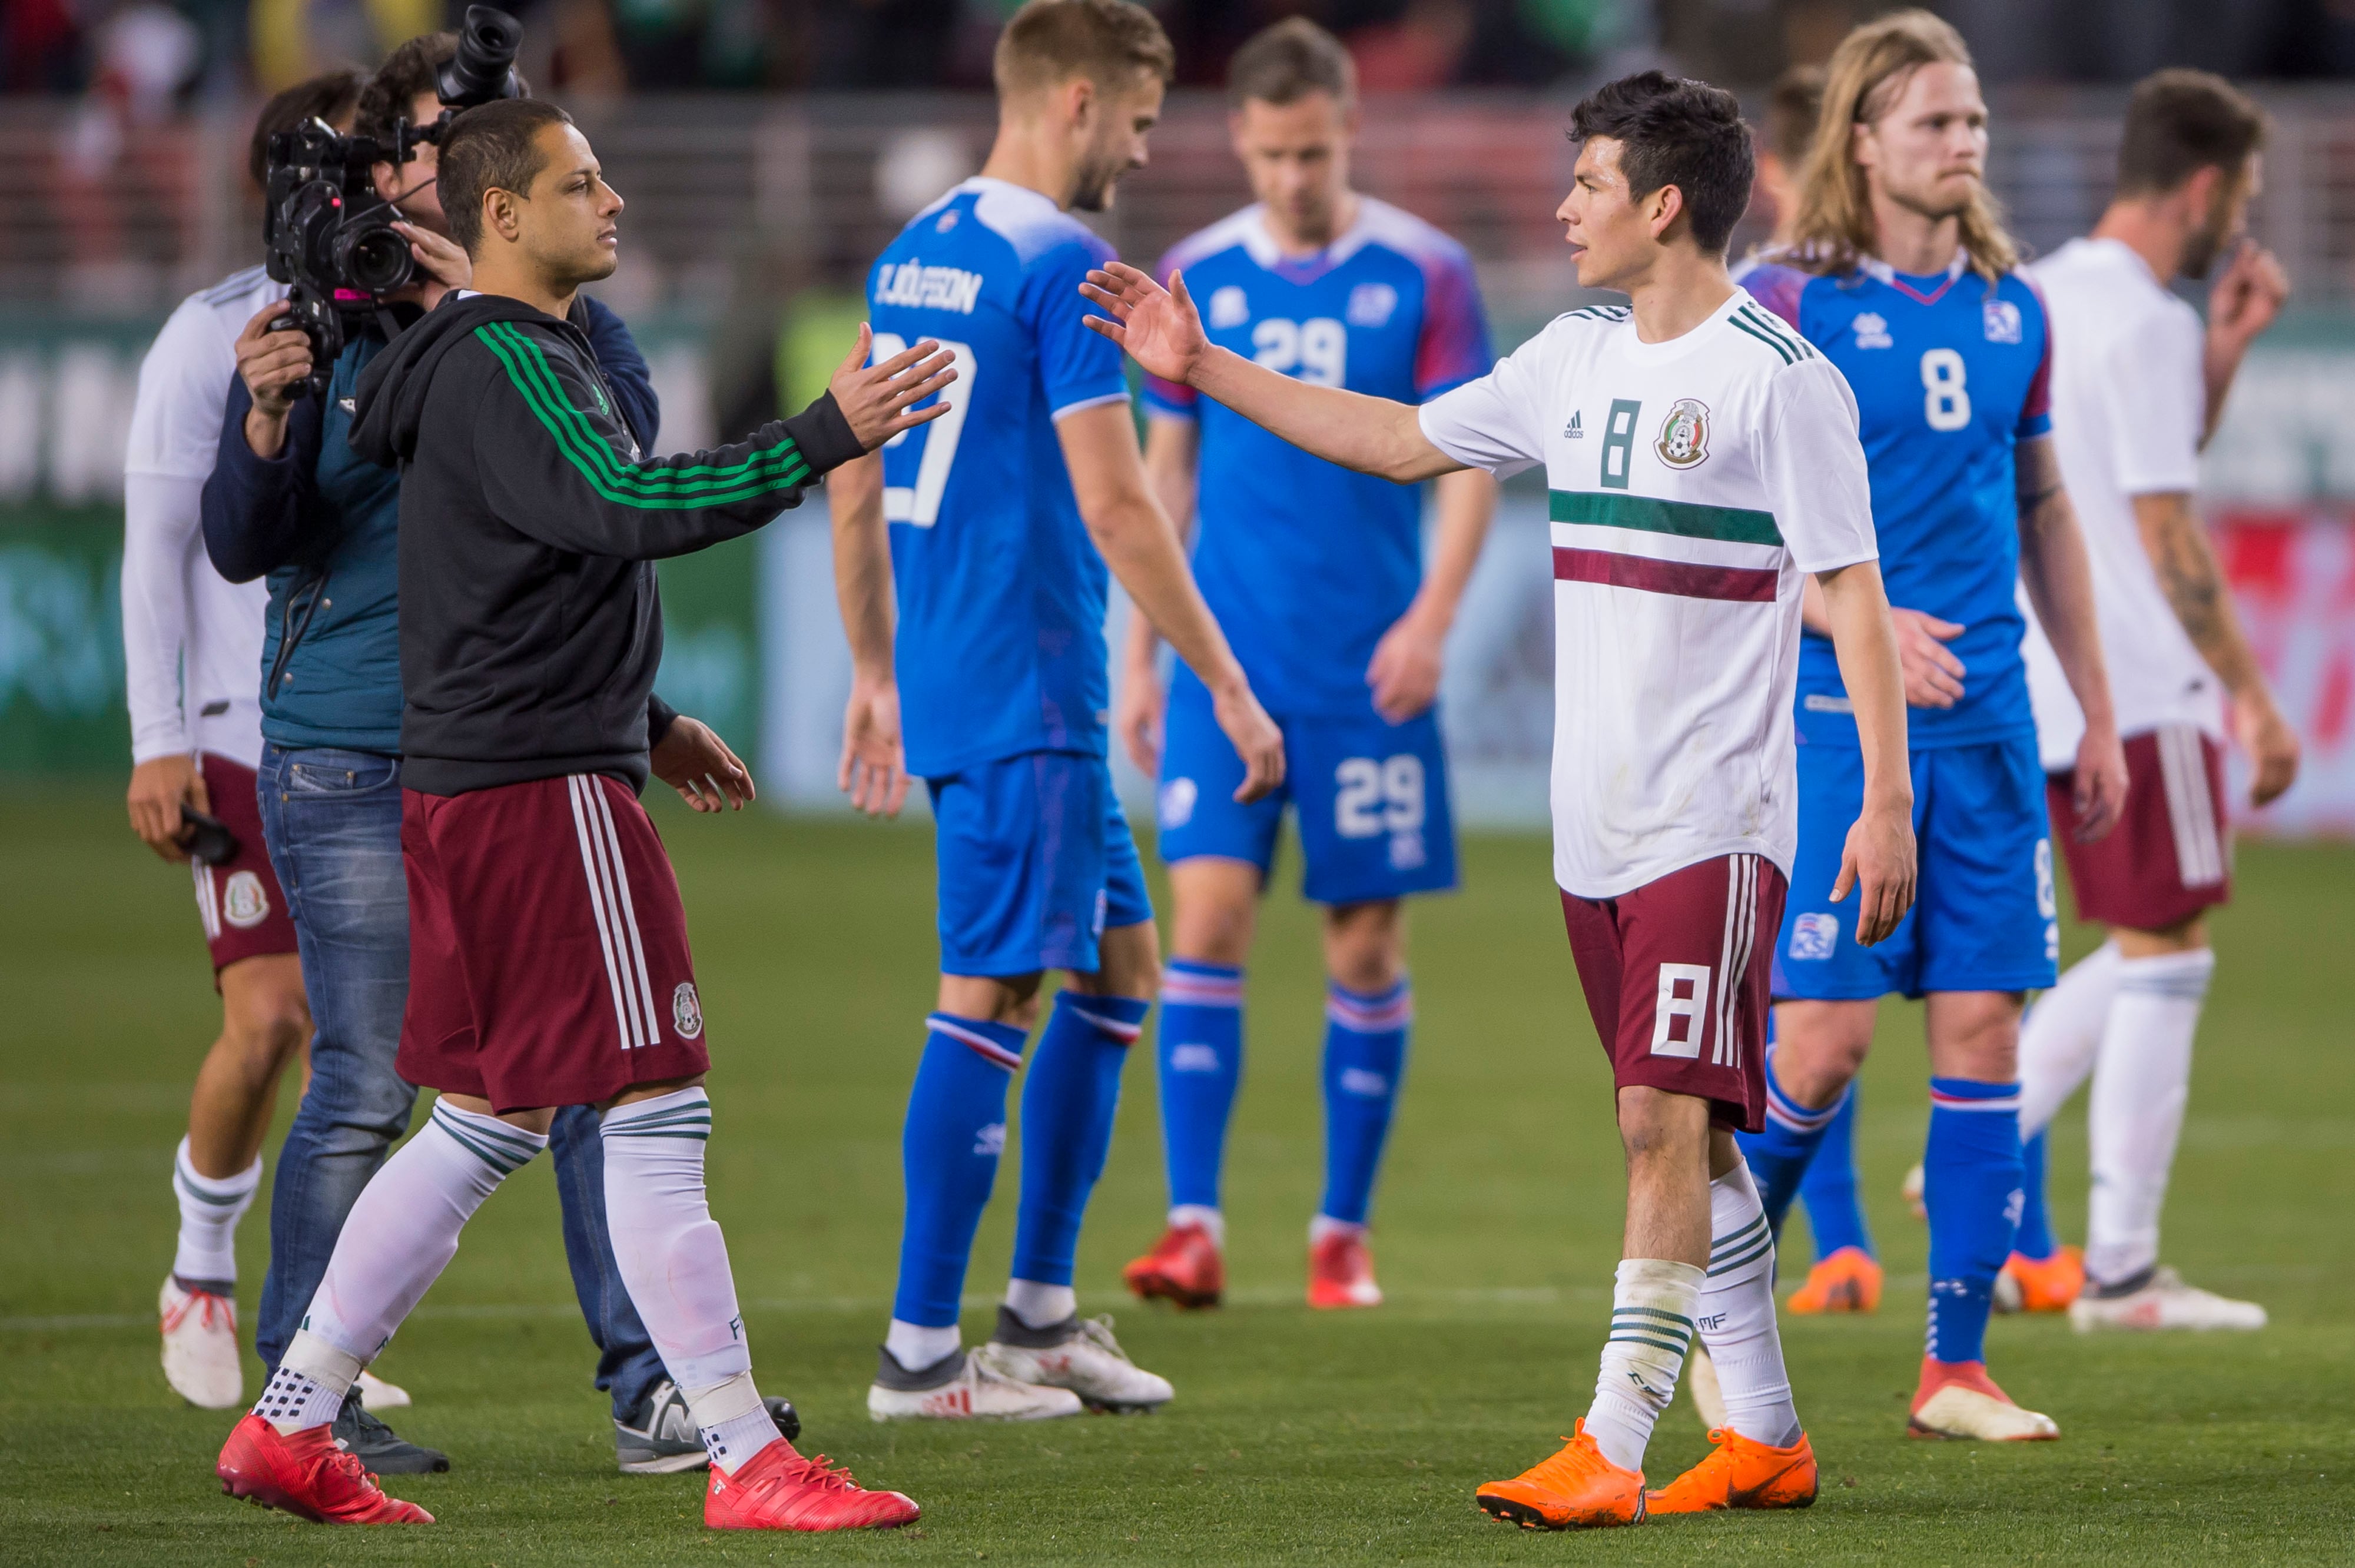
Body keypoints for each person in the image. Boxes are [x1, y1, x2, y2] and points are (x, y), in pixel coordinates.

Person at [1085, 68, 1917, 1530]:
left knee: (1657, 1121)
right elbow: (1400, 438)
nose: (1562, 207)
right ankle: (1769, 1434)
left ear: (1661, 205)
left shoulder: (1777, 379)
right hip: (1588, 827)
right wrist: (1198, 368)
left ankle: (1608, 1445)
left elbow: (1850, 593)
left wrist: (1886, 801)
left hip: (1716, 822)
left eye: (1587, 184)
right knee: (1696, 1134)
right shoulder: (1573, 354)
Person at [213, 95, 946, 1532]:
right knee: (655, 1102)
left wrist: (650, 720)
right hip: (541, 792)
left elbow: (505, 577)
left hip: (479, 780)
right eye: (581, 182)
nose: (611, 202)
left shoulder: (467, 361)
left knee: (485, 1121)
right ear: (500, 213)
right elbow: (622, 503)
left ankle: (291, 1422)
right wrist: (821, 435)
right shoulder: (507, 353)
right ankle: (743, 1455)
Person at [832, 0, 1284, 1421]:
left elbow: (849, 473)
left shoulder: (916, 256)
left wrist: (869, 669)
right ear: (1078, 101)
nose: (1144, 155)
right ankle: (917, 1359)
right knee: (994, 991)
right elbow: (1115, 498)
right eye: (1144, 123)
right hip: (1026, 678)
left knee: (1119, 969)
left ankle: (1033, 1321)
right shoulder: (1069, 267)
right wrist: (1222, 677)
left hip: (978, 674)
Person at [1734, 11, 2127, 1443]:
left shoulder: (2014, 307)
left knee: (1982, 1033)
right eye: (1930, 125)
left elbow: (2041, 511)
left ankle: (1950, 1369)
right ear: (1859, 141)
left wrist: (2095, 700)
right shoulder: (1781, 306)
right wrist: (1854, 615)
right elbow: (1725, 529)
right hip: (1841, 731)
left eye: (1969, 123)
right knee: (1824, 1043)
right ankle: (1724, 1303)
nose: (1960, 146)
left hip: (1993, 739)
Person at [1113, 16, 1497, 1315]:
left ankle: (1341, 1233)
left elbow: (1466, 467)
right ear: (1240, 142)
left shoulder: (1427, 271)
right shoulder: (1194, 276)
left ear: (1348, 132)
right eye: (1271, 154)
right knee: (1205, 922)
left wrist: (1432, 621)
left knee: (1364, 948)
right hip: (1230, 661)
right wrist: (1140, 660)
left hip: (1367, 671)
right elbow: (1159, 479)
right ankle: (1192, 1227)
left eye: (1312, 151)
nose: (1291, 175)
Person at [2007, 69, 2298, 1331]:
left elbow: (2130, 464)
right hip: (2137, 677)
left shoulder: (2039, 296)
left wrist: (2219, 352)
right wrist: (2251, 698)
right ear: (2201, 185)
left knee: (2143, 939)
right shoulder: (2141, 319)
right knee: (2168, 945)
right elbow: (2165, 528)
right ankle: (2119, 1271)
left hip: (2045, 677)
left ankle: (1978, 1131)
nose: (2237, 214)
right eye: (2237, 191)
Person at [126, 68, 356, 1413]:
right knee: (271, 1016)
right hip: (230, 732)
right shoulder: (201, 339)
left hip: (351, 733)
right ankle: (199, 1267)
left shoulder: (393, 328)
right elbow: (156, 557)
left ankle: (324, 1359)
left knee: (361, 1055)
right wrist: (159, 740)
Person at [1725, 61, 1886, 1321]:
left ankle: (1829, 1250)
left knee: (1855, 996)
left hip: (1880, 684)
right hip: (1778, 700)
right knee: (1812, 1005)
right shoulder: (1767, 320)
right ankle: (1804, 1247)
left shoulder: (1932, 307)